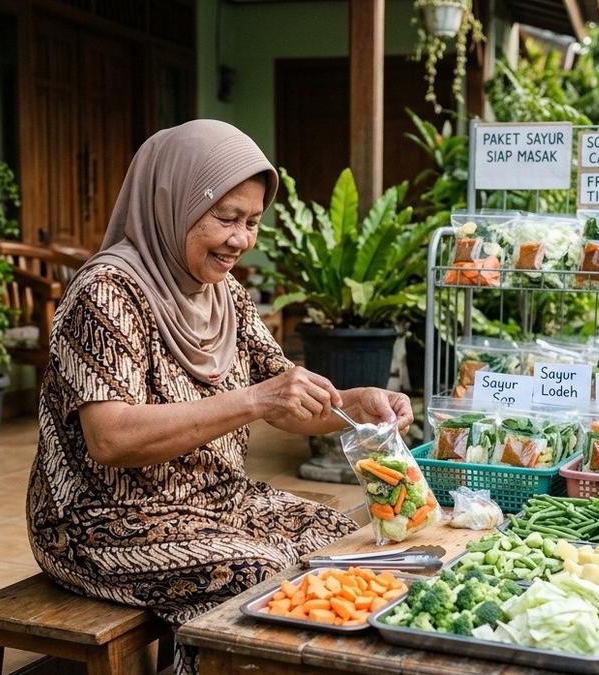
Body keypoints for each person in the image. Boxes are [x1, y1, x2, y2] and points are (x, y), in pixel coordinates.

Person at [26, 120, 413, 675]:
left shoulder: (223, 292)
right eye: (225, 218)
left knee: (343, 541)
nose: (241, 240)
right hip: (100, 520)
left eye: (252, 222)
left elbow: (287, 396)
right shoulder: (105, 294)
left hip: (213, 500)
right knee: (258, 573)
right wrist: (253, 401)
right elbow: (110, 439)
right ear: (173, 203)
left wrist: (360, 403)